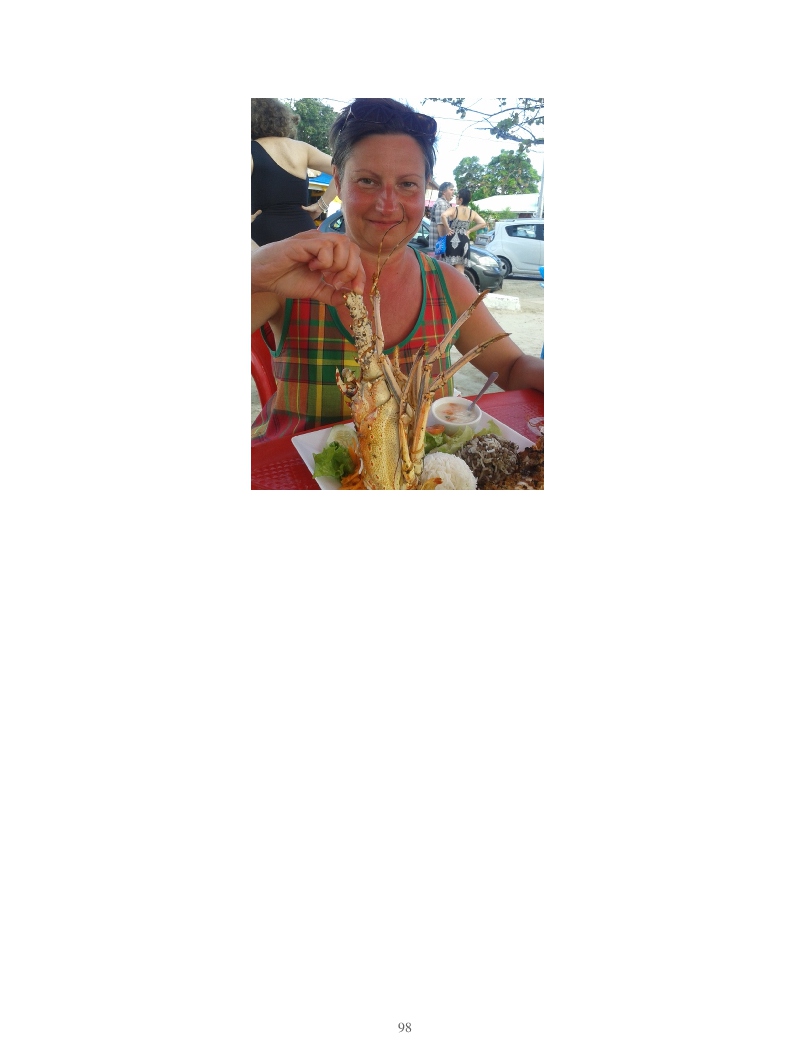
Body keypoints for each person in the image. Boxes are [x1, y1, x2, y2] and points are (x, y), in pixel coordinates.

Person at [251, 98, 543, 442]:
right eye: (367, 181)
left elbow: (511, 367)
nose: (387, 205)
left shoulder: (447, 286)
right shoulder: (293, 275)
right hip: (288, 468)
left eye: (407, 184)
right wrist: (253, 273)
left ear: (424, 189)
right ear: (339, 182)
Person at [251, 98, 339, 247]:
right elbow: (344, 170)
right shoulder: (303, 148)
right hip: (305, 234)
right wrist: (321, 205)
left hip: (265, 238)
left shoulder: (251, 150)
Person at [439, 188, 488, 273]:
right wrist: (469, 231)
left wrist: (447, 228)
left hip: (452, 237)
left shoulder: (454, 209)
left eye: (457, 197)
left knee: (448, 267)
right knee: (460, 269)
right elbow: (483, 223)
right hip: (464, 239)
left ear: (461, 199)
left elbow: (443, 215)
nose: (455, 198)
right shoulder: (472, 212)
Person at [429, 181, 456, 255]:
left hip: (438, 247)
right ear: (444, 192)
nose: (453, 192)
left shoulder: (443, 203)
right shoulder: (442, 204)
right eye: (451, 189)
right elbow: (441, 226)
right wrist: (444, 247)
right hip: (439, 248)